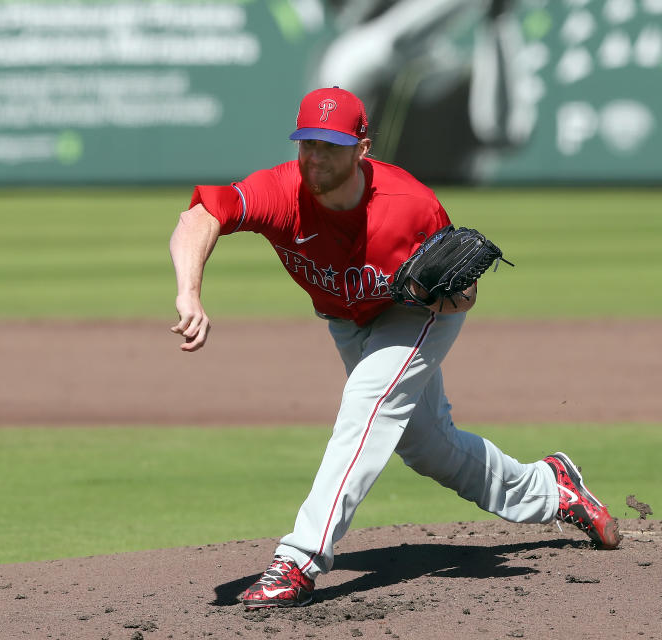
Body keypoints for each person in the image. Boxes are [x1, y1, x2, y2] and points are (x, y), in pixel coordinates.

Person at [168, 86, 621, 610]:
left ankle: (298, 561)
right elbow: (198, 217)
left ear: (363, 147)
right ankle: (551, 487)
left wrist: (438, 296)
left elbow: (463, 293)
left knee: (368, 404)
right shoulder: (279, 191)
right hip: (346, 318)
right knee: (430, 447)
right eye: (308, 143)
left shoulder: (410, 205)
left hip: (415, 314)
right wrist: (189, 292)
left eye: (331, 146)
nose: (315, 157)